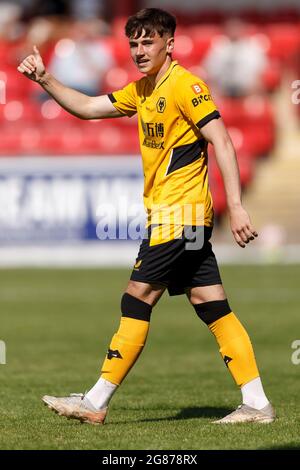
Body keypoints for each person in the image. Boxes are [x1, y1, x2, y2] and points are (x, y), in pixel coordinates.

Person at [18, 8, 275, 425]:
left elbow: (223, 141)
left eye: (148, 42)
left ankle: (96, 401)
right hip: (180, 220)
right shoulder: (141, 90)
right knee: (211, 303)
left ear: (169, 44)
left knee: (137, 296)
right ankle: (257, 403)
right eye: (134, 43)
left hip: (180, 216)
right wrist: (45, 80)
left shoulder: (185, 86)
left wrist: (239, 205)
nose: (139, 51)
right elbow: (86, 106)